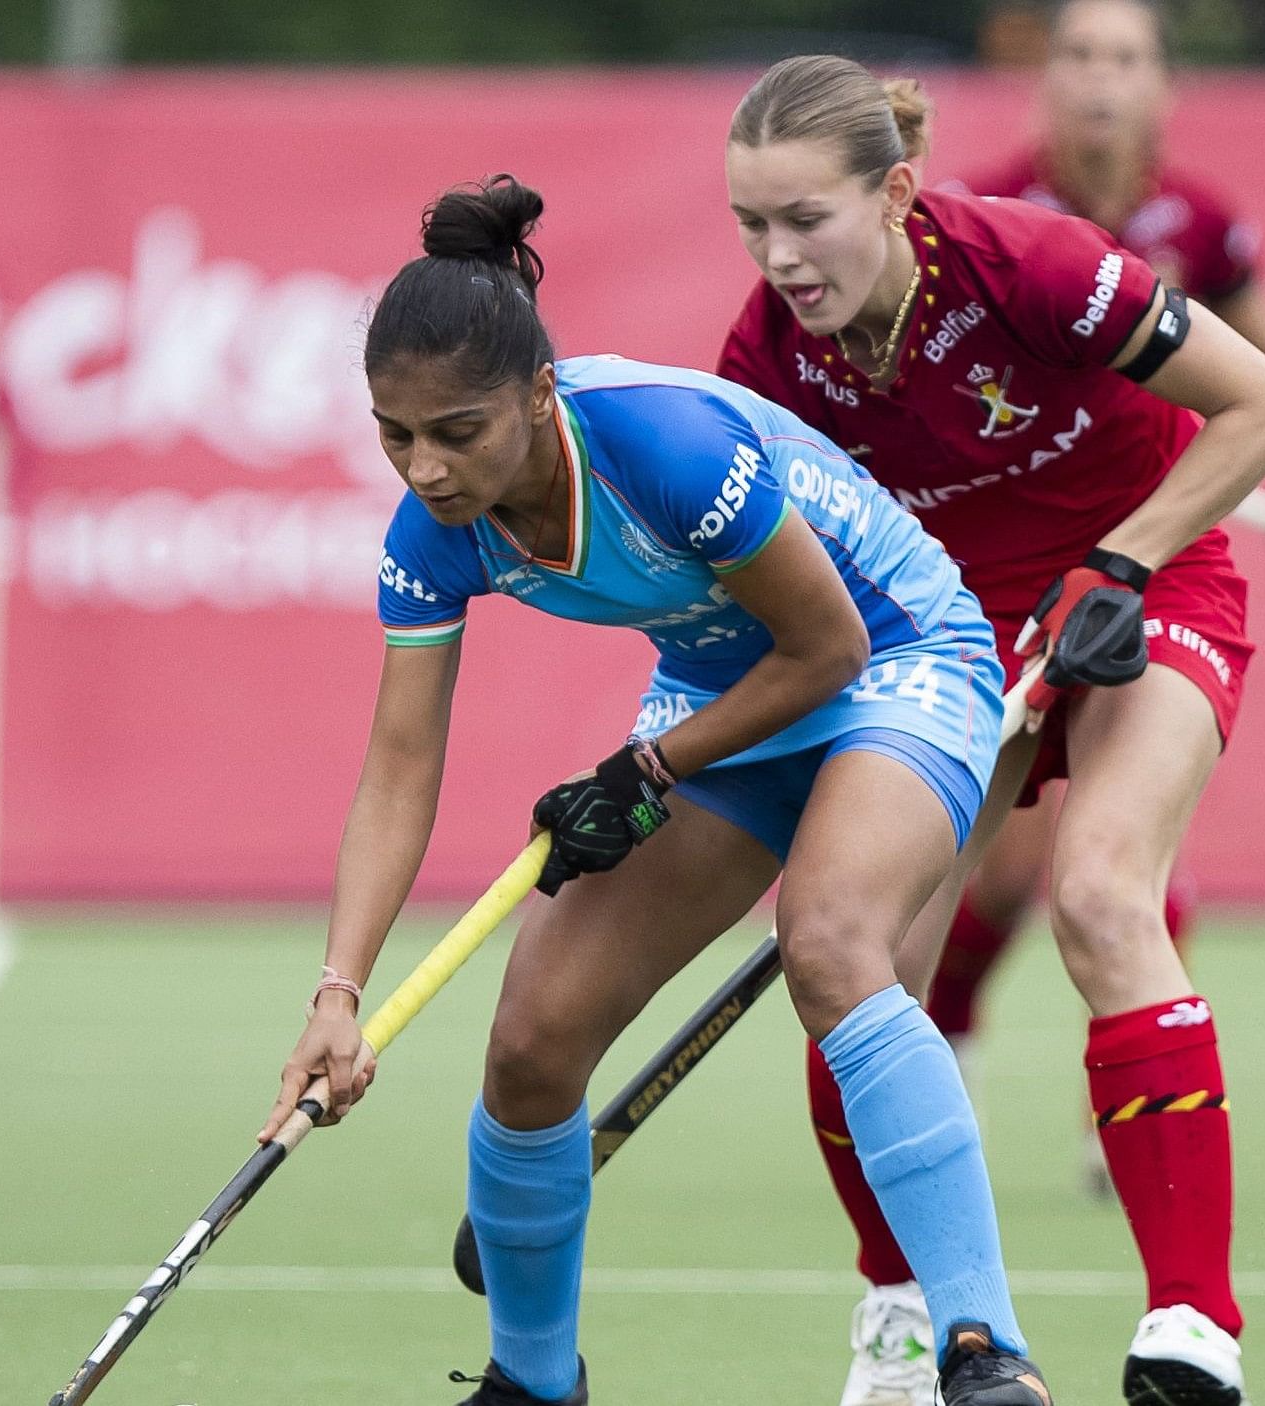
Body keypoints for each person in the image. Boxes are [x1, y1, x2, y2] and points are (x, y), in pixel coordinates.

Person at [262, 176, 1051, 1406]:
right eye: (393, 433)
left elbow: (828, 649)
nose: (424, 468)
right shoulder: (433, 534)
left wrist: (645, 772)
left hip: (898, 654)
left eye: (457, 431)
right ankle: (532, 1381)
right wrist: (338, 992)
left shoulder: (664, 445)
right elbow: (401, 765)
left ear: (536, 393)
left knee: (832, 941)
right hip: (726, 694)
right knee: (531, 1038)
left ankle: (980, 1344)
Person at [717, 55, 1265, 1406]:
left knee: (1103, 891)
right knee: (857, 954)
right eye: (753, 225)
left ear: (899, 193)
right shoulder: (767, 361)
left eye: (808, 220)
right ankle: (900, 1310)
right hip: (951, 640)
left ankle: (1193, 1327)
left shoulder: (1034, 266)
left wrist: (1122, 559)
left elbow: (1262, 405)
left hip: (1145, 580)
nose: (781, 257)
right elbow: (788, 584)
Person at [931, 0, 1265, 1162]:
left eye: (1125, 58)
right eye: (1078, 57)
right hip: (1028, 556)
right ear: (1043, 79)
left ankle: (1121, 1096)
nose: (1099, 81)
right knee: (1013, 868)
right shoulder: (991, 215)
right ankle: (949, 1038)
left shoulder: (1199, 219)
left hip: (1162, 548)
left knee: (1116, 854)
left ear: (1163, 83)